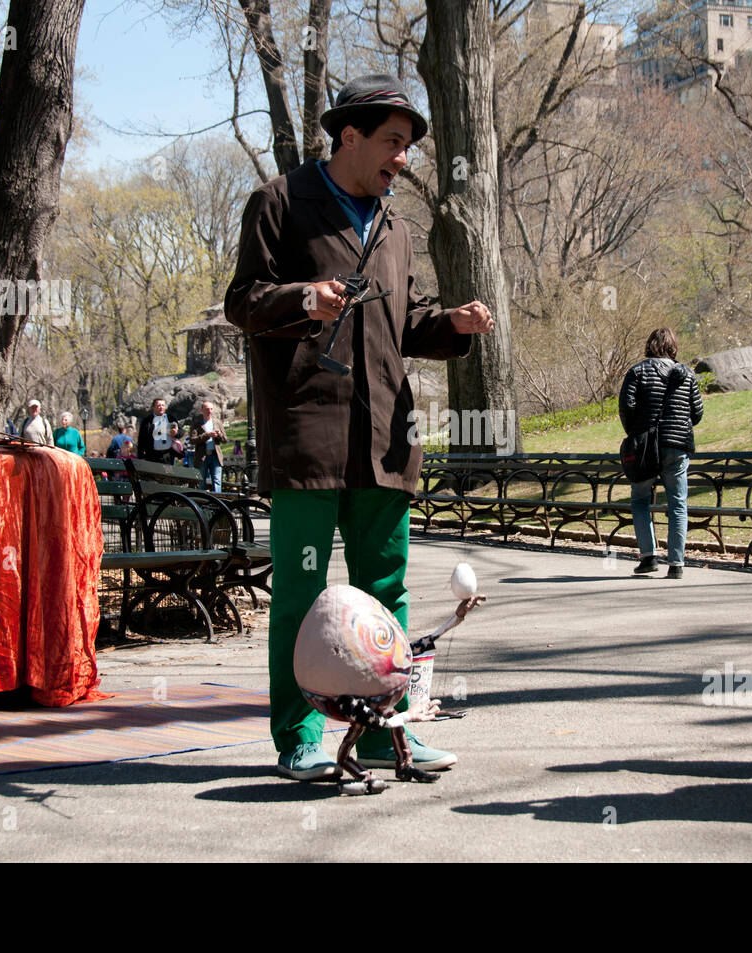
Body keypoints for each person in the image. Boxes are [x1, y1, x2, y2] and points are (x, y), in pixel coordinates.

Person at [223, 73, 495, 783]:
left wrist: (451, 323)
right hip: (307, 437)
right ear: (349, 136)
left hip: (386, 440)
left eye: (407, 146)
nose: (402, 159)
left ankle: (380, 736)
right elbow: (242, 301)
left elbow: (406, 322)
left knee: (384, 595)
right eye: (393, 143)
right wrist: (300, 299)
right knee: (303, 594)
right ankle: (300, 739)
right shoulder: (281, 202)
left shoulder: (397, 229)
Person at [619, 328, 703, 579]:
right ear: (673, 347)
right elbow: (697, 413)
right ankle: (676, 564)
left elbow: (627, 407)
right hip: (677, 446)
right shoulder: (687, 374)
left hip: (646, 446)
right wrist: (679, 425)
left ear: (649, 346)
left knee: (640, 499)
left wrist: (635, 433)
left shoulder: (637, 372)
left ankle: (649, 557)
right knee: (678, 502)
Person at [191, 400, 226, 492]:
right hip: (202, 456)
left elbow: (225, 440)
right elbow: (192, 440)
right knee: (201, 482)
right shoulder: (197, 423)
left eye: (211, 409)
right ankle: (201, 499)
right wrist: (207, 435)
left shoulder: (217, 422)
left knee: (217, 481)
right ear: (202, 410)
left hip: (215, 456)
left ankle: (218, 499)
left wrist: (219, 435)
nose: (209, 411)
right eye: (207, 409)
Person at [138, 397, 176, 465]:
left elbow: (179, 431)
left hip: (167, 455)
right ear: (153, 407)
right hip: (152, 455)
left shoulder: (171, 418)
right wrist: (140, 456)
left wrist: (175, 432)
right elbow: (141, 439)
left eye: (163, 405)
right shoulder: (147, 421)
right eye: (159, 405)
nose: (161, 407)